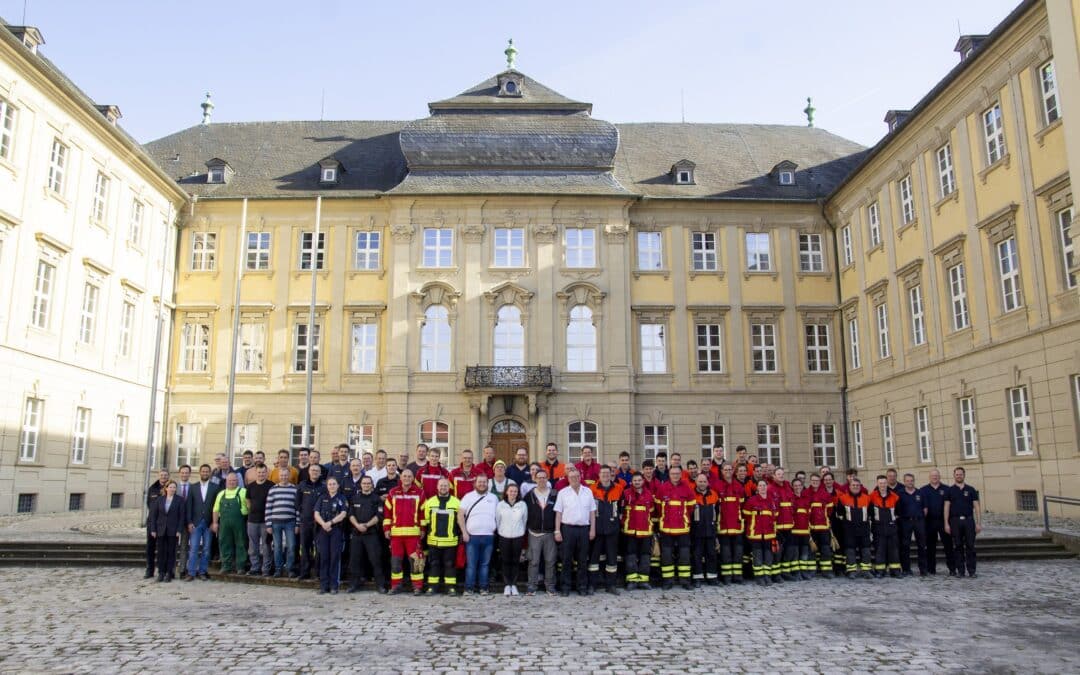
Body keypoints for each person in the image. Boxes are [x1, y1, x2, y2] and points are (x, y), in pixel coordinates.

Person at [554, 466, 596, 596]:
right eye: (572, 477)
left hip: (584, 529)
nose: (574, 479)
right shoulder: (563, 493)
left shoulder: (588, 492)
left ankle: (582, 586)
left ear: (580, 477)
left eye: (577, 476)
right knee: (566, 559)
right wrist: (557, 531)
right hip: (568, 529)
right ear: (568, 478)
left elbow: (592, 512)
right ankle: (565, 587)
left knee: (583, 560)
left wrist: (592, 529)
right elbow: (558, 513)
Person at [384, 468, 426, 594]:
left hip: (413, 534)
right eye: (404, 476)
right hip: (396, 535)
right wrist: (386, 529)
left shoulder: (420, 493)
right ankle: (396, 586)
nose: (407, 478)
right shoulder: (392, 492)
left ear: (413, 478)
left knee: (416, 561)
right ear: (400, 478)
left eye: (409, 476)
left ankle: (417, 586)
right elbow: (387, 513)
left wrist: (423, 529)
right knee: (396, 562)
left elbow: (423, 513)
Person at [654, 465, 694, 589]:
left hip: (683, 528)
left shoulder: (687, 489)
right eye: (673, 474)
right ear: (669, 474)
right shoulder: (662, 488)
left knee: (684, 555)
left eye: (677, 473)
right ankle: (668, 581)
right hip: (666, 528)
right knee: (666, 555)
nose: (675, 476)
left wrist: (684, 518)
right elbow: (658, 507)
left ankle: (685, 581)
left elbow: (691, 507)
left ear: (681, 474)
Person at [459, 474, 499, 595]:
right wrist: (464, 532)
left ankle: (483, 587)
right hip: (472, 536)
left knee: (485, 564)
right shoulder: (468, 497)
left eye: (484, 482)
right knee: (471, 564)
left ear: (488, 484)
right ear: (475, 483)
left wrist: (495, 529)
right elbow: (460, 515)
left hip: (488, 536)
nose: (482, 484)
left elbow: (498, 515)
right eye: (479, 482)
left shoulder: (494, 498)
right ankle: (469, 588)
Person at [421, 477, 461, 595]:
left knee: (450, 565)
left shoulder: (456, 502)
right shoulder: (430, 502)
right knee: (433, 564)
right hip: (434, 541)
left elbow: (460, 521)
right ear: (437, 487)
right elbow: (425, 521)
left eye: (445, 485)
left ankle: (450, 587)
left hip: (450, 541)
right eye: (441, 485)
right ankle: (432, 587)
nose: (443, 488)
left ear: (449, 487)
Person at [348, 475, 386, 593]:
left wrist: (367, 525)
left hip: (371, 534)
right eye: (364, 483)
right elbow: (350, 515)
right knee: (355, 560)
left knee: (376, 560)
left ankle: (380, 585)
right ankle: (354, 584)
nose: (366, 485)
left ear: (372, 485)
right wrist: (358, 525)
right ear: (361, 485)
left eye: (368, 483)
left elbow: (379, 516)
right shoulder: (355, 498)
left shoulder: (376, 499)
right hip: (357, 533)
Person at [588, 466, 623, 594]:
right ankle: (593, 584)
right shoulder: (592, 489)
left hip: (612, 530)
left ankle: (611, 585)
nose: (605, 475)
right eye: (603, 473)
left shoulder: (619, 489)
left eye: (608, 473)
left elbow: (621, 508)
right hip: (597, 529)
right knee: (594, 559)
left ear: (611, 474)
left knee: (612, 559)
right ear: (599, 475)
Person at [524, 468, 558, 595]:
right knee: (533, 561)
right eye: (539, 477)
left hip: (550, 533)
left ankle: (550, 586)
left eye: (544, 477)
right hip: (534, 533)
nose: (542, 480)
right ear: (535, 479)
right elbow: (524, 513)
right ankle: (532, 586)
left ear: (547, 479)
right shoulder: (529, 495)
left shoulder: (555, 494)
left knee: (550, 561)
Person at [312, 476, 348, 594]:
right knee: (324, 557)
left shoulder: (342, 498)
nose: (332, 486)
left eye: (334, 484)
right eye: (330, 484)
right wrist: (323, 524)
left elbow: (343, 514)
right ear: (327, 486)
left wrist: (330, 523)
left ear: (338, 486)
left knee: (334, 558)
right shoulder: (322, 498)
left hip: (336, 530)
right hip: (323, 531)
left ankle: (333, 586)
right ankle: (323, 585)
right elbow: (316, 513)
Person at [944, 467, 981, 578]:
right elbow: (946, 508)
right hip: (955, 521)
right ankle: (960, 570)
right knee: (958, 546)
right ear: (954, 476)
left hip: (969, 520)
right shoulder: (949, 490)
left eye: (961, 474)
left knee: (970, 546)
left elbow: (977, 507)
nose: (959, 476)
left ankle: (971, 570)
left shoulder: (971, 489)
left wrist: (978, 523)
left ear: (964, 475)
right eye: (957, 474)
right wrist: (946, 523)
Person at [184, 464, 218, 581]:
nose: (205, 473)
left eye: (207, 471)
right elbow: (189, 506)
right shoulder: (193, 487)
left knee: (207, 548)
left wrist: (214, 522)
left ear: (209, 473)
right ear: (200, 472)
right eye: (203, 471)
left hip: (208, 522)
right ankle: (191, 572)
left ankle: (202, 571)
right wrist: (189, 522)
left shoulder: (215, 487)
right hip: (196, 522)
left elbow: (216, 506)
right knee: (193, 548)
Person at [620, 472, 654, 590]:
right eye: (635, 480)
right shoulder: (626, 493)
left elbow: (653, 511)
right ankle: (632, 580)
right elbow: (621, 511)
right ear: (632, 482)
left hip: (645, 531)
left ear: (643, 481)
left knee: (645, 556)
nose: (637, 482)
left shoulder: (649, 494)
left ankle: (643, 581)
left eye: (639, 480)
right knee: (631, 556)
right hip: (630, 530)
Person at [265, 467, 300, 578]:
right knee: (277, 547)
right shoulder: (273, 489)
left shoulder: (294, 489)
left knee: (291, 546)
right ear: (279, 476)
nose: (284, 477)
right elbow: (268, 507)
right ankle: (278, 569)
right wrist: (268, 524)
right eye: (282, 475)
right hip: (276, 523)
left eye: (286, 475)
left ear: (289, 476)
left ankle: (289, 569)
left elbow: (297, 508)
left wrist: (297, 523)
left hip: (290, 522)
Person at [211, 472, 248, 574]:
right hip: (224, 524)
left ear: (237, 481)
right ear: (226, 482)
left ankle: (240, 566)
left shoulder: (243, 492)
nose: (232, 482)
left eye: (234, 480)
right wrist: (215, 523)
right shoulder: (221, 494)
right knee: (224, 543)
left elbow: (249, 507)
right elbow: (215, 509)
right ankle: (226, 565)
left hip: (239, 522)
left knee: (241, 543)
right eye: (230, 480)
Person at [920, 469, 955, 576]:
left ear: (940, 476)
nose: (935, 477)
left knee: (948, 546)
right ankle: (931, 569)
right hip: (929, 522)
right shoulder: (923, 490)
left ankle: (952, 569)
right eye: (932, 476)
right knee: (930, 547)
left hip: (943, 521)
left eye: (936, 475)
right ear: (929, 477)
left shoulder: (947, 489)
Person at [837, 477, 873, 579]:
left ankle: (866, 570)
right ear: (849, 486)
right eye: (853, 485)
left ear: (860, 486)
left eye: (857, 485)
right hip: (849, 530)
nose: (855, 487)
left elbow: (871, 513)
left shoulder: (867, 498)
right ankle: (851, 571)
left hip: (864, 529)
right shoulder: (843, 498)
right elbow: (839, 513)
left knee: (866, 550)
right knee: (850, 551)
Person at [743, 479, 777, 585]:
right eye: (760, 486)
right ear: (757, 488)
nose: (762, 487)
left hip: (769, 534)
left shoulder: (771, 500)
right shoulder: (752, 501)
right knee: (757, 556)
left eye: (764, 485)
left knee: (768, 555)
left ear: (767, 487)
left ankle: (767, 576)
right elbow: (746, 515)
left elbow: (775, 516)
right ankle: (759, 576)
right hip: (755, 534)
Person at [495, 483, 527, 596]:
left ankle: (514, 584)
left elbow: (524, 520)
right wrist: (502, 531)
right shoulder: (500, 505)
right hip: (504, 537)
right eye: (511, 491)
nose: (513, 493)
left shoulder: (522, 505)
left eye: (515, 491)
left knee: (515, 561)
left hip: (518, 537)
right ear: (506, 492)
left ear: (518, 493)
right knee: (505, 561)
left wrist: (520, 532)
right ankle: (507, 585)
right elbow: (498, 521)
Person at [716, 462, 744, 585]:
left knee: (738, 552)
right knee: (725, 552)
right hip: (723, 526)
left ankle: (737, 575)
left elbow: (743, 507)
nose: (728, 471)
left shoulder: (738, 486)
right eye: (725, 469)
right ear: (721, 471)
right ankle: (727, 576)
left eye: (730, 469)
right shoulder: (717, 486)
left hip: (737, 526)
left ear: (733, 471)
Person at [150, 480, 184, 582]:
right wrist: (153, 529)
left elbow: (181, 516)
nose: (172, 489)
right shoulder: (160, 500)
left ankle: (169, 572)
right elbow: (154, 515)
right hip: (161, 529)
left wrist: (179, 529)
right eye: (170, 487)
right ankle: (161, 572)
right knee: (161, 552)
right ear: (166, 488)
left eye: (174, 487)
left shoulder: (179, 500)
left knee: (171, 552)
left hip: (173, 530)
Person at [690, 473, 719, 587]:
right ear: (696, 482)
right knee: (697, 554)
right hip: (697, 530)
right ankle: (698, 577)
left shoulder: (714, 495)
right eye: (700, 481)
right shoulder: (691, 494)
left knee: (711, 554)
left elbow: (718, 511)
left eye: (704, 481)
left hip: (711, 529)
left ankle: (712, 577)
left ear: (707, 482)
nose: (702, 484)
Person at [869, 475, 901, 578]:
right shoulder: (872, 497)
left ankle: (895, 570)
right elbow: (869, 512)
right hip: (878, 528)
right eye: (880, 483)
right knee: (880, 550)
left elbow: (899, 512)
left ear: (887, 483)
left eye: (884, 483)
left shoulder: (894, 496)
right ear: (877, 484)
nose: (882, 485)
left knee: (894, 550)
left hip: (891, 527)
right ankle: (880, 571)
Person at [244, 465, 273, 576]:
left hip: (266, 521)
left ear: (266, 473)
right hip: (252, 521)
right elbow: (248, 500)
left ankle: (266, 569)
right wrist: (252, 510)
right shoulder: (250, 486)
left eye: (263, 472)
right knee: (253, 546)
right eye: (259, 472)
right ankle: (255, 567)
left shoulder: (271, 486)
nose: (261, 474)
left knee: (266, 546)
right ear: (256, 473)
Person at [897, 473, 928, 576]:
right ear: (904, 482)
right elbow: (897, 509)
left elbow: (925, 509)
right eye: (907, 481)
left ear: (914, 481)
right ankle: (906, 569)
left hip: (919, 521)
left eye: (911, 480)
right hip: (905, 522)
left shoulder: (921, 493)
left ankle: (923, 569)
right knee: (905, 546)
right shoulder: (900, 494)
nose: (910, 482)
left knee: (922, 546)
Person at [768, 467, 796, 581]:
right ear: (773, 476)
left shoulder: (788, 487)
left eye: (782, 474)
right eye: (778, 474)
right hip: (777, 526)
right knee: (777, 551)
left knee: (789, 549)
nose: (781, 476)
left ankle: (785, 572)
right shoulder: (770, 489)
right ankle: (776, 574)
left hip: (789, 524)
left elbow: (792, 504)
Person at [807, 474, 835, 578]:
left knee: (825, 550)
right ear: (810, 481)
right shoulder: (806, 493)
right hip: (811, 528)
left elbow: (830, 510)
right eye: (813, 480)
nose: (815, 482)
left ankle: (826, 571)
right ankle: (812, 570)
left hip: (824, 528)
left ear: (820, 482)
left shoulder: (826, 495)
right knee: (811, 551)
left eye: (817, 480)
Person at [144, 468, 170, 579]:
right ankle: (149, 569)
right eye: (162, 475)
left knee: (162, 548)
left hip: (164, 524)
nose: (163, 477)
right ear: (159, 476)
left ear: (168, 476)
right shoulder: (152, 488)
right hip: (153, 522)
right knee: (150, 547)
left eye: (165, 475)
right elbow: (150, 504)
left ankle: (161, 570)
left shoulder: (170, 488)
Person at [790, 478, 814, 580]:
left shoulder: (806, 498)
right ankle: (796, 572)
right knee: (795, 554)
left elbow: (810, 515)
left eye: (799, 485)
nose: (797, 487)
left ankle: (804, 571)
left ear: (802, 486)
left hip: (805, 531)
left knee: (804, 553)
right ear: (792, 487)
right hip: (794, 531)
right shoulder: (791, 498)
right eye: (795, 485)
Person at [174, 465, 193, 580]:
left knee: (184, 546)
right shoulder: (174, 487)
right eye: (182, 472)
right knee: (173, 546)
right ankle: (170, 569)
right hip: (175, 522)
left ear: (190, 474)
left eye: (187, 473)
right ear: (179, 473)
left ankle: (182, 569)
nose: (184, 474)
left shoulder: (193, 487)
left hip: (187, 521)